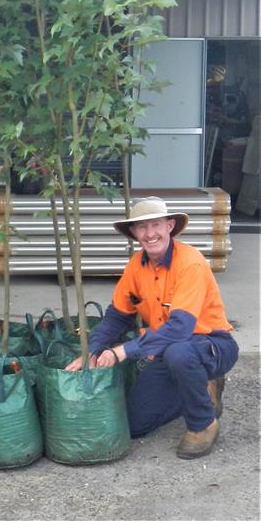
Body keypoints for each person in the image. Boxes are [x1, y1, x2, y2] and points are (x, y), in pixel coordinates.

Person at [65, 196, 238, 459]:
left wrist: (122, 351)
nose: (150, 234)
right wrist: (94, 348)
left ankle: (203, 424)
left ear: (169, 226)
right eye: (142, 227)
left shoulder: (190, 263)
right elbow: (117, 315)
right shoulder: (136, 265)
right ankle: (199, 387)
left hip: (212, 344)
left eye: (155, 225)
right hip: (168, 350)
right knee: (135, 424)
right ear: (134, 233)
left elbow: (180, 328)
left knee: (179, 353)